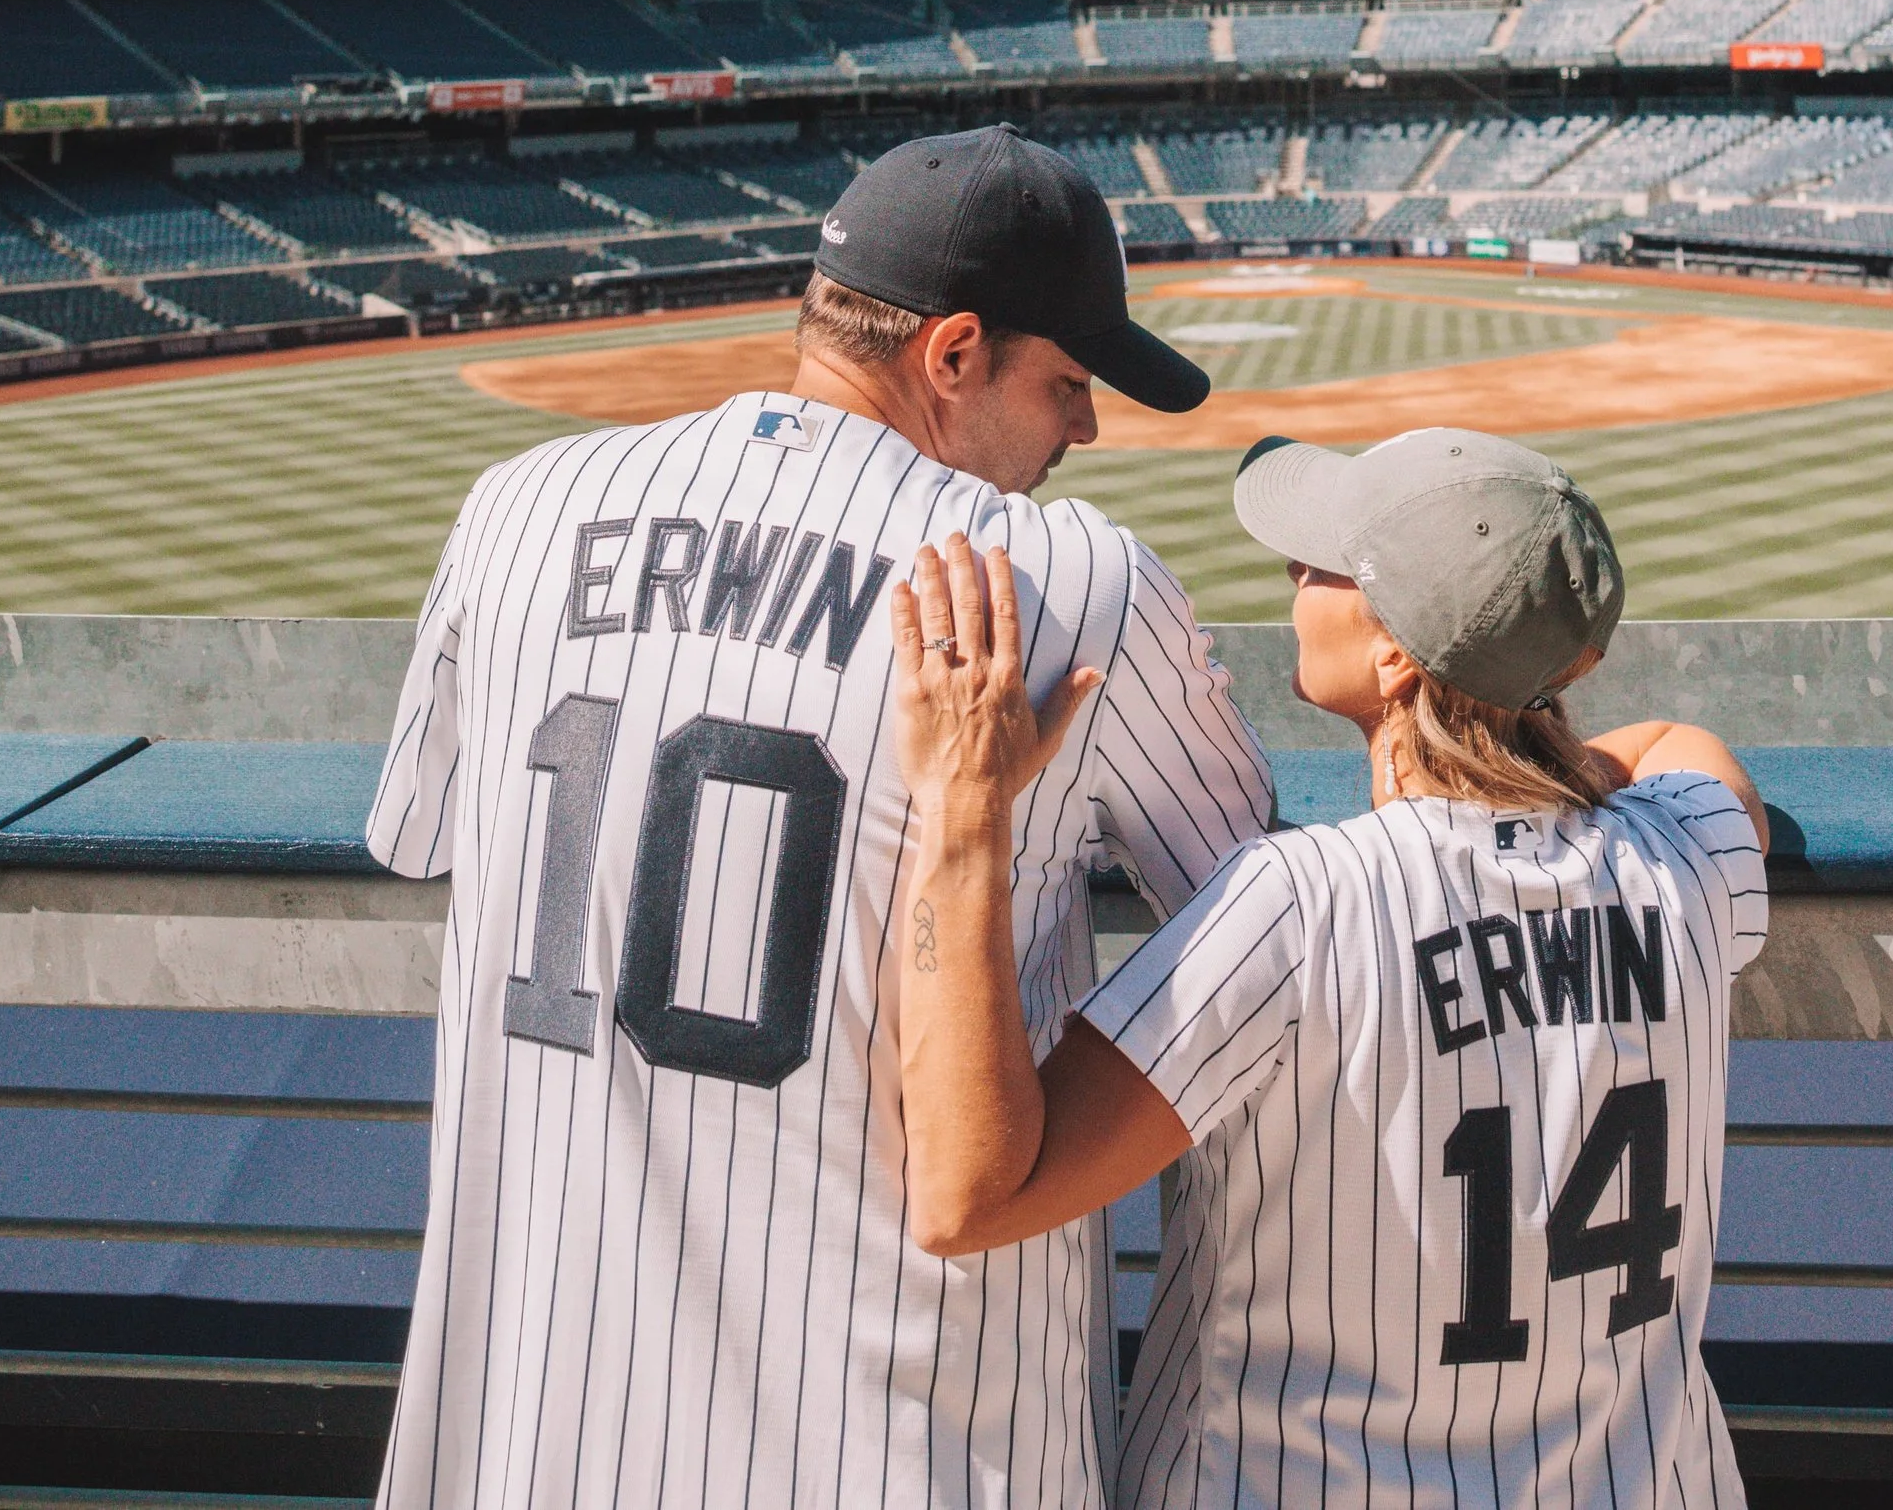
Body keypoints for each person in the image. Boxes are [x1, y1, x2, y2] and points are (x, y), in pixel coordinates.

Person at [364, 122, 1270, 1510]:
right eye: (1067, 381)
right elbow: (1261, 918)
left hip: (529, 1421)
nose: (1085, 429)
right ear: (952, 353)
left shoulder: (515, 511)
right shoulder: (1067, 579)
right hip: (909, 1437)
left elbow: (423, 840)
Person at [891, 426, 1770, 1510]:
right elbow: (1689, 746)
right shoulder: (1682, 863)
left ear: (1395, 653)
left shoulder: (1298, 904)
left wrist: (961, 806)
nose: (1293, 575)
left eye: (1319, 565)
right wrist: (1527, 762)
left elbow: (970, 1193)